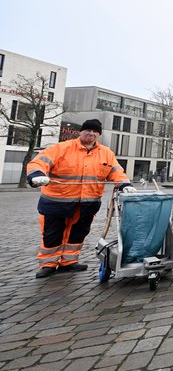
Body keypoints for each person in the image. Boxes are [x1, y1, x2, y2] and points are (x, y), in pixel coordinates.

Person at [26, 118, 134, 278]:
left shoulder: (106, 153)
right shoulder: (61, 148)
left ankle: (69, 262)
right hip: (57, 203)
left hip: (87, 204)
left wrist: (124, 184)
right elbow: (39, 163)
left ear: (98, 134)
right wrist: (36, 175)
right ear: (80, 132)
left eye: (95, 131)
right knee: (52, 234)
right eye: (87, 130)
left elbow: (116, 172)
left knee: (77, 234)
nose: (91, 133)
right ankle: (48, 264)